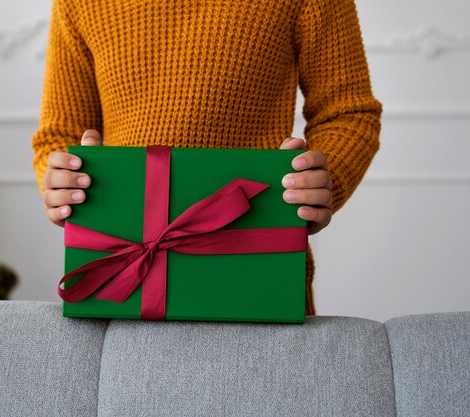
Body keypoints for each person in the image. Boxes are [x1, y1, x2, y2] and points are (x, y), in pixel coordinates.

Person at [31, 0, 382, 315]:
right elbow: (59, 135)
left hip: (256, 274)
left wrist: (322, 181)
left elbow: (348, 113)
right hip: (125, 286)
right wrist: (62, 181)